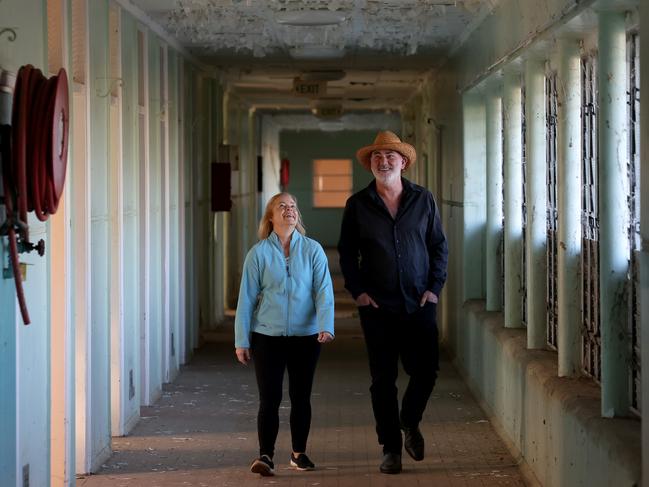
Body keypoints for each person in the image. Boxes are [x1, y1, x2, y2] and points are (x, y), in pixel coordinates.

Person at [338, 131, 448, 474]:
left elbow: (438, 247)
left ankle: (409, 420)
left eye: (390, 156)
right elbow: (346, 252)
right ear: (371, 164)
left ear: (403, 162)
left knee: (426, 372)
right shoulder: (358, 204)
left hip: (419, 302)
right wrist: (359, 293)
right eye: (377, 157)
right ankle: (391, 449)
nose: (383, 161)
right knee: (382, 380)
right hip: (378, 308)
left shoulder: (423, 199)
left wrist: (434, 289)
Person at [235, 192, 335, 477]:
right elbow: (246, 298)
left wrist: (326, 325)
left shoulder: (313, 249)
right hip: (267, 335)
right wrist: (241, 340)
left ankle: (298, 453)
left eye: (293, 206)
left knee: (301, 396)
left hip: (306, 336)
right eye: (282, 206)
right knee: (270, 398)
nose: (289, 210)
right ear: (271, 216)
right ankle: (265, 455)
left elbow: (323, 290)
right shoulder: (258, 253)